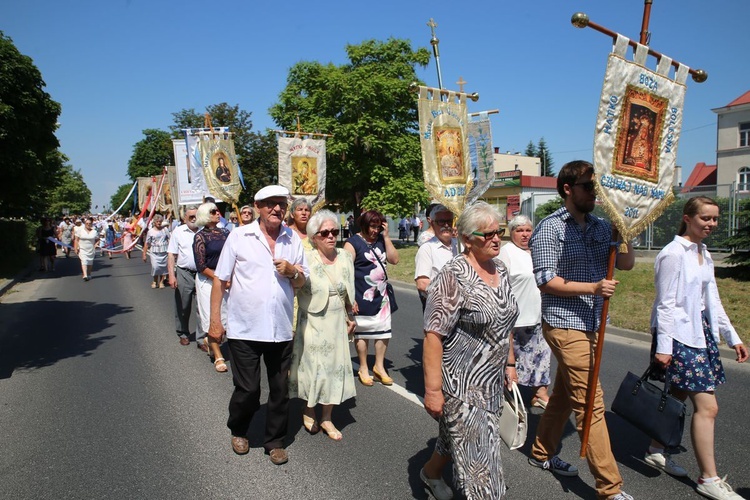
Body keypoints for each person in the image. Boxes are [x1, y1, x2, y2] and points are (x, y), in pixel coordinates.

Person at [527, 160, 635, 500]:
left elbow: (626, 263)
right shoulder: (550, 228)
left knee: (562, 395)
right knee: (590, 402)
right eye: (589, 187)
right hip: (563, 322)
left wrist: (626, 228)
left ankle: (542, 452)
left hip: (591, 324)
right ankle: (610, 488)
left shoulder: (603, 227)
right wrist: (593, 288)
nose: (595, 194)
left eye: (596, 188)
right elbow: (545, 280)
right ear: (568, 189)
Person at [648, 196, 748, 499]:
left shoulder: (704, 253)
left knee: (678, 395)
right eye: (706, 218)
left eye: (716, 219)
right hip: (677, 336)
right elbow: (665, 304)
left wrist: (732, 336)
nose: (712, 224)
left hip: (699, 333)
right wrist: (664, 347)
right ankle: (708, 479)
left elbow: (711, 300)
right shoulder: (674, 253)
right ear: (688, 218)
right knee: (708, 407)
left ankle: (656, 449)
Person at [422, 201, 518, 499]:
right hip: (462, 386)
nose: (496, 239)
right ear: (466, 239)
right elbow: (433, 336)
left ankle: (431, 472)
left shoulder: (500, 267)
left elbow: (505, 319)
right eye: (486, 234)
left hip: (491, 383)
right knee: (483, 473)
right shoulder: (453, 276)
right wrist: (433, 390)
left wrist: (510, 364)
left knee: (451, 442)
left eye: (498, 232)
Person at [209, 185, 308, 465]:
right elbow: (220, 279)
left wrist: (293, 273)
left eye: (281, 204)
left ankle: (274, 441)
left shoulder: (293, 240)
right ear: (258, 206)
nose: (276, 209)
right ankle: (239, 429)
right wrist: (216, 321)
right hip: (245, 328)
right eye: (270, 204)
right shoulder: (240, 237)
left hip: (280, 329)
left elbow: (303, 282)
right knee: (249, 390)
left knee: (279, 390)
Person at [289, 209, 357, 441]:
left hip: (337, 321)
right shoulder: (306, 259)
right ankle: (308, 408)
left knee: (334, 369)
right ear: (314, 236)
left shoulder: (345, 257)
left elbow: (349, 290)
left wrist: (350, 315)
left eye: (334, 231)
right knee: (314, 366)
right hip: (313, 320)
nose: (331, 236)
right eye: (325, 232)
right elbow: (295, 287)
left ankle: (327, 417)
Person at [499, 214, 551, 409]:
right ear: (512, 233)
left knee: (541, 356)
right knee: (510, 358)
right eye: (519, 230)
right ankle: (507, 394)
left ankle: (540, 393)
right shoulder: (507, 252)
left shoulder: (537, 251)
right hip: (515, 316)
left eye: (528, 230)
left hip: (538, 314)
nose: (524, 234)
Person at [344, 210, 399, 386]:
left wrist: (387, 237)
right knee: (362, 332)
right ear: (364, 225)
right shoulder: (352, 243)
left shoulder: (382, 241)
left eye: (378, 227)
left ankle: (379, 367)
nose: (375, 230)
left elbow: (395, 260)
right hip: (360, 293)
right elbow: (346, 272)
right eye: (372, 226)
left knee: (383, 331)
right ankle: (363, 367)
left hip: (381, 296)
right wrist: (349, 298)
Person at [192, 202, 230, 372]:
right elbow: (201, 266)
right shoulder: (200, 237)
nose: (217, 213)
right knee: (211, 317)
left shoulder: (226, 233)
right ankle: (218, 356)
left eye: (217, 210)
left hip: (227, 281)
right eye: (213, 211)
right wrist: (219, 278)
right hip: (208, 281)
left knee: (227, 317)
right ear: (206, 215)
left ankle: (213, 342)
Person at [167, 205, 204, 349]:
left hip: (202, 273)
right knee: (183, 305)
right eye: (191, 216)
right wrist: (171, 275)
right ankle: (183, 333)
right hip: (184, 272)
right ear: (184, 218)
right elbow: (171, 254)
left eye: (196, 216)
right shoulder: (178, 231)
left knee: (202, 306)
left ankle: (202, 338)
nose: (194, 219)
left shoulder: (204, 229)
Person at [414, 204, 457, 311]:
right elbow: (422, 284)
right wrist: (452, 296)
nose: (446, 225)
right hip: (439, 309)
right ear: (432, 223)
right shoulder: (427, 249)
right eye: (441, 221)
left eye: (449, 221)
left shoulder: (459, 246)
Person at [143, 214, 170, 289]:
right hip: (154, 252)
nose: (159, 223)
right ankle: (155, 280)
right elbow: (147, 243)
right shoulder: (150, 231)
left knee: (163, 268)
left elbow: (170, 239)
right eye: (157, 221)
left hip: (164, 252)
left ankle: (161, 281)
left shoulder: (165, 230)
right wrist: (144, 254)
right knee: (155, 267)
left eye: (160, 221)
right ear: (154, 222)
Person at [74, 217, 100, 281]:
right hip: (82, 249)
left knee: (90, 263)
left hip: (91, 249)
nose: (88, 224)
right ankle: (85, 275)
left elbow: (98, 239)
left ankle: (89, 274)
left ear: (91, 224)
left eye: (89, 223)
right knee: (84, 261)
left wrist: (96, 244)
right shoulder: (80, 231)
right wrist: (76, 248)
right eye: (87, 223)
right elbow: (76, 240)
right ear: (85, 224)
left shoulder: (94, 232)